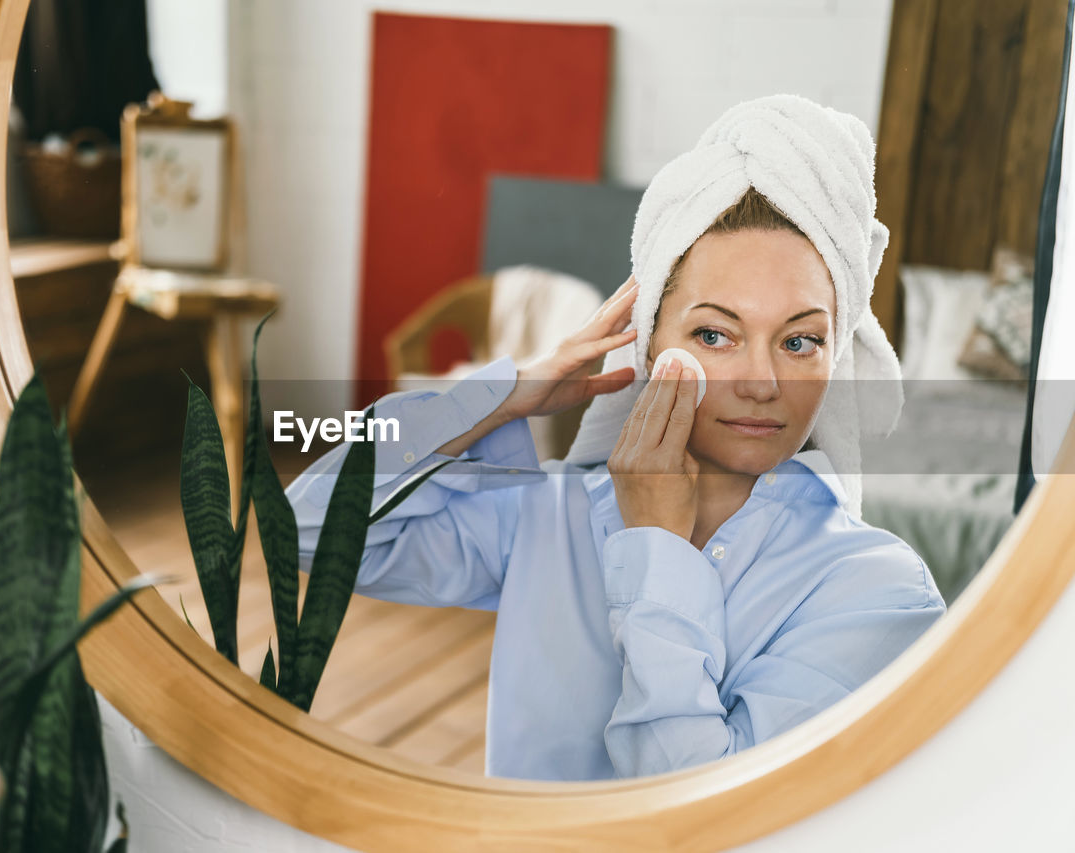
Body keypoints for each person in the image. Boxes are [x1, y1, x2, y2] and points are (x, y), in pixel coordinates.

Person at [286, 95, 946, 782]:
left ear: (835, 358)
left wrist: (656, 550)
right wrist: (500, 396)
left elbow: (707, 821)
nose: (760, 381)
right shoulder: (554, 515)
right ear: (649, 342)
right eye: (714, 334)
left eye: (800, 340)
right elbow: (307, 524)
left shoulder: (882, 590)